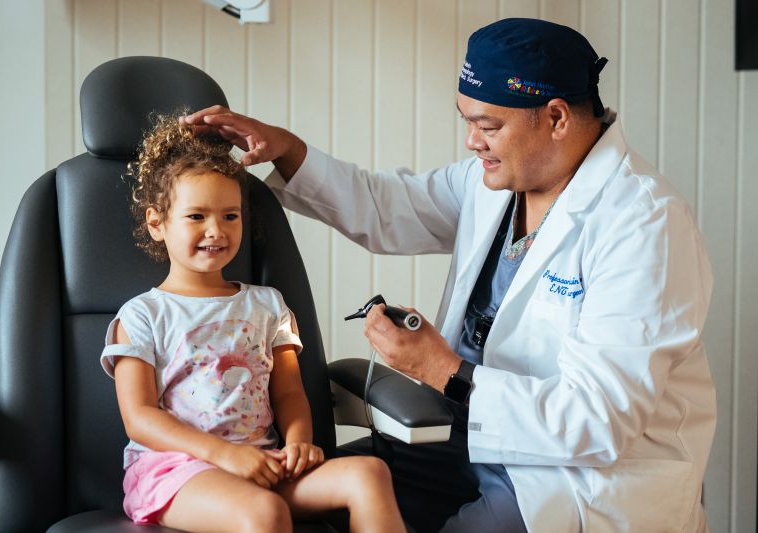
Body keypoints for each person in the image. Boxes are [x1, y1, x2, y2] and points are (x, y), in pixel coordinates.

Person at [182, 17, 716, 533]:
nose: (471, 143)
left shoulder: (642, 223)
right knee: (326, 499)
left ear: (556, 118)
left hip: (571, 477)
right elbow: (384, 207)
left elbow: (598, 422)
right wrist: (289, 150)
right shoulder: (495, 181)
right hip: (465, 439)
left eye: (488, 126)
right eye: (466, 121)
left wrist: (444, 370)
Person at [99, 113, 406, 533]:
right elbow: (140, 418)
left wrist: (298, 443)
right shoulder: (141, 316)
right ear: (157, 223)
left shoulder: (268, 306)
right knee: (264, 513)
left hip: (262, 465)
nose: (216, 230)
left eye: (230, 215)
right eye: (196, 217)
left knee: (369, 474)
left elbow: (290, 393)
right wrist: (225, 456)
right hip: (176, 474)